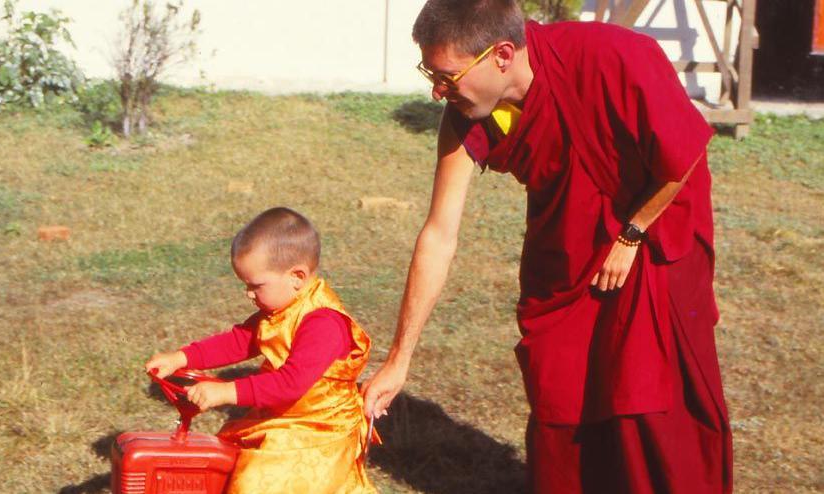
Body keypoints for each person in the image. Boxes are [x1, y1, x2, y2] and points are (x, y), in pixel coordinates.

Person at [361, 0, 732, 492]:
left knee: (648, 396)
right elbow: (438, 233)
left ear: (502, 55)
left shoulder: (614, 56)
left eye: (448, 77)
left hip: (655, 236)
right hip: (566, 249)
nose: (437, 91)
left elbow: (683, 151)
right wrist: (399, 359)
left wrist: (632, 232)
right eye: (431, 74)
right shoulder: (466, 118)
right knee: (563, 390)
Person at [146, 207, 377, 494]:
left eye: (256, 285)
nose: (249, 294)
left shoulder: (324, 323)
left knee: (257, 481)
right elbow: (238, 341)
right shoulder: (279, 311)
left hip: (318, 430)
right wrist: (182, 357)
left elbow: (290, 384)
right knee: (228, 459)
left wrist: (226, 392)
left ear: (297, 277)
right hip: (284, 420)